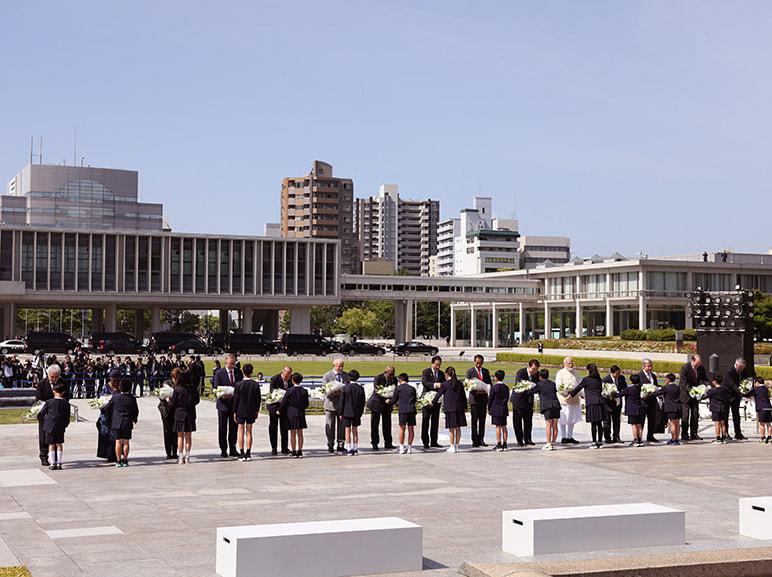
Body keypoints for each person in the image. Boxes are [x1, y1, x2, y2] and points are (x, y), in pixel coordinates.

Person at [35, 364, 69, 466]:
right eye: (52, 377)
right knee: (44, 436)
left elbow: (67, 398)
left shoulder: (63, 383)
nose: (54, 379)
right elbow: (39, 399)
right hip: (46, 415)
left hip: (58, 416)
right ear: (48, 375)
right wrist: (42, 413)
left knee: (57, 439)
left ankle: (55, 458)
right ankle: (44, 456)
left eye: (56, 377)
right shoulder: (42, 383)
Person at [569, 363, 606, 448]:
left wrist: (571, 395)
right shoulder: (599, 379)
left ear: (588, 371)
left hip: (591, 402)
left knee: (593, 423)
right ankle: (600, 441)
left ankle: (594, 442)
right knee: (599, 423)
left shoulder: (586, 379)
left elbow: (579, 387)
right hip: (600, 402)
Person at [212, 354, 242, 458]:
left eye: (233, 364)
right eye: (230, 364)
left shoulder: (238, 372)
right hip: (223, 405)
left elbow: (240, 386)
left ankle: (233, 448)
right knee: (222, 428)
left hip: (234, 405)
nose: (232, 366)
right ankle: (223, 449)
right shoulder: (219, 373)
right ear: (225, 363)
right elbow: (216, 388)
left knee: (234, 428)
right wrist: (225, 394)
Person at [432, 367, 468, 453]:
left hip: (450, 408)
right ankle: (457, 446)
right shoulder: (459, 383)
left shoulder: (445, 384)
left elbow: (439, 394)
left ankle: (452, 446)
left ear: (446, 374)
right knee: (458, 428)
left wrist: (433, 402)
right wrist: (466, 407)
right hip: (459, 407)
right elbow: (463, 396)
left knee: (451, 428)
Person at [106, 378, 139, 467]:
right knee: (126, 442)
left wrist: (111, 415)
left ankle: (118, 460)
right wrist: (135, 418)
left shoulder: (115, 397)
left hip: (117, 421)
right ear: (130, 388)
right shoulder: (132, 398)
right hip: (127, 422)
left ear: (120, 387)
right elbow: (135, 410)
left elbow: (108, 407)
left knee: (118, 442)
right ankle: (125, 460)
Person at [168, 369, 199, 463]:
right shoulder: (193, 389)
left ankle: (181, 456)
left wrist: (168, 400)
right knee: (188, 436)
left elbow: (173, 403)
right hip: (190, 413)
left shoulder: (178, 389)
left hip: (179, 414)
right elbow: (197, 401)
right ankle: (187, 456)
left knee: (180, 436)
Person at [232, 363, 261, 462]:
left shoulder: (238, 384)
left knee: (240, 431)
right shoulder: (255, 385)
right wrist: (257, 410)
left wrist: (234, 411)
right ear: (252, 372)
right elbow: (258, 399)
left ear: (242, 372)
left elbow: (236, 399)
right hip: (251, 410)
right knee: (249, 431)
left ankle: (242, 452)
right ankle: (248, 452)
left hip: (240, 409)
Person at [527, 369, 562, 450]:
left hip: (547, 406)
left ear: (540, 377)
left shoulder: (540, 384)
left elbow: (532, 391)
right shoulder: (553, 384)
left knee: (548, 425)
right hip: (556, 405)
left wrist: (523, 391)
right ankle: (553, 443)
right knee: (555, 425)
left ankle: (548, 443)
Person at [279, 373, 310, 458]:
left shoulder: (290, 391)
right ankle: (300, 451)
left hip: (291, 413)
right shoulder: (304, 391)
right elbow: (306, 404)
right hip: (300, 413)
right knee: (300, 433)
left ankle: (293, 451)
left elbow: (284, 402)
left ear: (292, 380)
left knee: (292, 433)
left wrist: (280, 410)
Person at [322, 358, 349, 453]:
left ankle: (341, 444)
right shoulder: (327, 375)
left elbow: (347, 387)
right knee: (330, 426)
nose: (341, 368)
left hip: (342, 405)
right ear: (334, 366)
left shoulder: (345, 375)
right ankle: (330, 444)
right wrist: (334, 393)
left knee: (342, 426)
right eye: (339, 366)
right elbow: (325, 389)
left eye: (342, 366)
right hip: (330, 405)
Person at [367, 365, 396, 451]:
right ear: (386, 372)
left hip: (387, 405)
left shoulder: (394, 380)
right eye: (390, 374)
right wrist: (386, 398)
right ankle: (375, 443)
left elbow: (395, 391)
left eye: (393, 374)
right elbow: (377, 390)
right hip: (377, 403)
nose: (391, 376)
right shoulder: (378, 378)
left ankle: (388, 442)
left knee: (387, 425)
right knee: (374, 425)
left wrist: (392, 400)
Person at [679, 354, 708, 441]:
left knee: (695, 414)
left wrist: (707, 386)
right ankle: (684, 433)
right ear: (692, 361)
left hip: (695, 395)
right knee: (685, 415)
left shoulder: (701, 368)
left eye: (699, 363)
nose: (698, 365)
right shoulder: (685, 368)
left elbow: (704, 379)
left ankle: (694, 433)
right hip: (686, 394)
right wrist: (691, 391)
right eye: (696, 363)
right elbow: (684, 382)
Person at [466, 354, 491, 448]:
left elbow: (489, 384)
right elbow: (467, 385)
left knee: (482, 421)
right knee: (474, 421)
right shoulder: (470, 372)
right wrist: (476, 390)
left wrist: (485, 390)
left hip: (483, 399)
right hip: (474, 399)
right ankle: (474, 440)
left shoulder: (485, 371)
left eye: (480, 363)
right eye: (477, 363)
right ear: (474, 362)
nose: (478, 365)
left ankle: (481, 439)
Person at [512, 360, 539, 446]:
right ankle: (519, 440)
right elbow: (518, 385)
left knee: (528, 421)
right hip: (518, 400)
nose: (535, 371)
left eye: (536, 370)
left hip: (529, 401)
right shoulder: (521, 372)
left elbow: (537, 386)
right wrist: (529, 389)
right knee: (517, 422)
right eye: (533, 369)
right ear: (529, 366)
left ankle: (528, 439)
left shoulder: (536, 375)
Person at [340, 369, 366, 455]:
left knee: (347, 430)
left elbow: (342, 402)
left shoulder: (345, 388)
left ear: (348, 378)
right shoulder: (360, 388)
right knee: (355, 430)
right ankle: (355, 448)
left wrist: (340, 413)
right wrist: (360, 412)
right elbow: (362, 402)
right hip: (356, 412)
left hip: (347, 412)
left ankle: (348, 448)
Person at [723, 357, 750, 440]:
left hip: (736, 396)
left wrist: (747, 390)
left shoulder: (743, 370)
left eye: (743, 368)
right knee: (726, 415)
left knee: (736, 415)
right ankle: (725, 433)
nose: (742, 370)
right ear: (737, 365)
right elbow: (732, 384)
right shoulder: (729, 370)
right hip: (727, 395)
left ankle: (738, 433)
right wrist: (740, 392)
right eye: (741, 368)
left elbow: (746, 380)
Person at [556, 357, 581, 444]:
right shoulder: (560, 373)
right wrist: (567, 391)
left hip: (574, 399)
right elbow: (558, 387)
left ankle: (570, 436)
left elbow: (578, 385)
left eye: (572, 363)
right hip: (564, 399)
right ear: (564, 364)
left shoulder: (575, 373)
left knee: (572, 418)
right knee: (563, 418)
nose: (571, 365)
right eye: (569, 363)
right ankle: (563, 436)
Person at [390, 373, 418, 454]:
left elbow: (394, 400)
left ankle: (401, 447)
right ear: (407, 380)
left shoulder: (398, 388)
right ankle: (409, 447)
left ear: (399, 380)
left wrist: (389, 401)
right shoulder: (412, 388)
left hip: (403, 410)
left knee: (402, 428)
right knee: (411, 429)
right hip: (411, 409)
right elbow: (414, 399)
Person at [267, 366, 292, 455]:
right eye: (285, 376)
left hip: (285, 407)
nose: (287, 378)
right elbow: (273, 392)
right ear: (282, 372)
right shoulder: (275, 379)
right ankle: (274, 448)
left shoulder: (291, 380)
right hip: (275, 406)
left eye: (289, 376)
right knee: (273, 427)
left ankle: (284, 448)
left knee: (284, 428)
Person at [651, 373, 682, 445]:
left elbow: (658, 393)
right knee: (677, 424)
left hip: (671, 407)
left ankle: (673, 439)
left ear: (668, 380)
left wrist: (649, 394)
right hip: (678, 407)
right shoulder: (677, 387)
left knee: (672, 424)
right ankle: (677, 439)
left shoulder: (666, 387)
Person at [420, 356, 444, 449]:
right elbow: (425, 383)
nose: (438, 367)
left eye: (439, 365)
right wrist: (435, 385)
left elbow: (443, 385)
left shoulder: (441, 374)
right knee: (425, 420)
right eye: (436, 365)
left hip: (436, 401)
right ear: (432, 363)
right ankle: (425, 441)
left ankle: (434, 441)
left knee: (435, 421)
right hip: (427, 400)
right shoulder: (426, 372)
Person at [615, 373, 645, 447]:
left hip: (632, 409)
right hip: (639, 408)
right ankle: (640, 440)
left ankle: (635, 440)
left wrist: (613, 395)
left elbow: (620, 394)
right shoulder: (639, 388)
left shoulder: (628, 389)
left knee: (634, 425)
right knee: (639, 424)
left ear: (631, 381)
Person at [638, 358, 663, 443]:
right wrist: (642, 395)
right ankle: (639, 437)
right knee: (641, 420)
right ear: (643, 367)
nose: (650, 368)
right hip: (643, 401)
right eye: (648, 366)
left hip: (652, 401)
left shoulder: (653, 376)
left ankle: (650, 435)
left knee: (652, 419)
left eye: (651, 366)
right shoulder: (639, 375)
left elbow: (656, 386)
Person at [601, 365, 626, 444]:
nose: (618, 375)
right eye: (616, 374)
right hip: (608, 403)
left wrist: (619, 395)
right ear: (611, 373)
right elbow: (602, 392)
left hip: (617, 403)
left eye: (619, 374)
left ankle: (616, 436)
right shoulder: (605, 380)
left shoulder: (621, 378)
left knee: (617, 421)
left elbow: (625, 389)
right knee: (607, 421)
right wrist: (610, 395)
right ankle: (607, 437)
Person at [487, 369, 509, 451]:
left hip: (496, 408)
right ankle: (505, 444)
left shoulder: (494, 387)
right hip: (503, 408)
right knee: (504, 426)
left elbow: (490, 398)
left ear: (496, 378)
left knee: (498, 427)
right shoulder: (506, 387)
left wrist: (489, 408)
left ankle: (499, 443)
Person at [157, 374, 177, 460]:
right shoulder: (165, 387)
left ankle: (174, 452)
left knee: (174, 432)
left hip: (173, 410)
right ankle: (169, 452)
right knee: (167, 431)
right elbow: (160, 398)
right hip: (165, 411)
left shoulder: (176, 389)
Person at [745, 377, 772, 443]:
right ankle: (769, 437)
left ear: (757, 383)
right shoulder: (766, 389)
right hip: (768, 407)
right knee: (768, 424)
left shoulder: (756, 389)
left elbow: (748, 394)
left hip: (761, 407)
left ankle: (763, 437)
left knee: (762, 424)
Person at [705, 375, 729, 444]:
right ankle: (724, 437)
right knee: (723, 423)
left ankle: (718, 438)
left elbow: (706, 395)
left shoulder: (713, 390)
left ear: (715, 382)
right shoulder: (724, 389)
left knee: (717, 423)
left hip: (715, 408)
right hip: (723, 407)